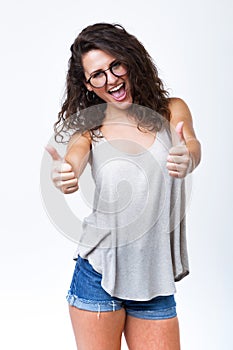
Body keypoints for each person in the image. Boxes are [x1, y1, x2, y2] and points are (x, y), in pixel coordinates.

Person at [46, 23, 201, 350]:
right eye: (97, 74)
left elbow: (192, 146)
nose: (111, 79)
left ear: (131, 61)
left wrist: (188, 156)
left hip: (153, 280)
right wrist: (65, 173)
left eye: (116, 65)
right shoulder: (90, 128)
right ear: (88, 86)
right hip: (98, 276)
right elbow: (73, 158)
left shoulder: (171, 110)